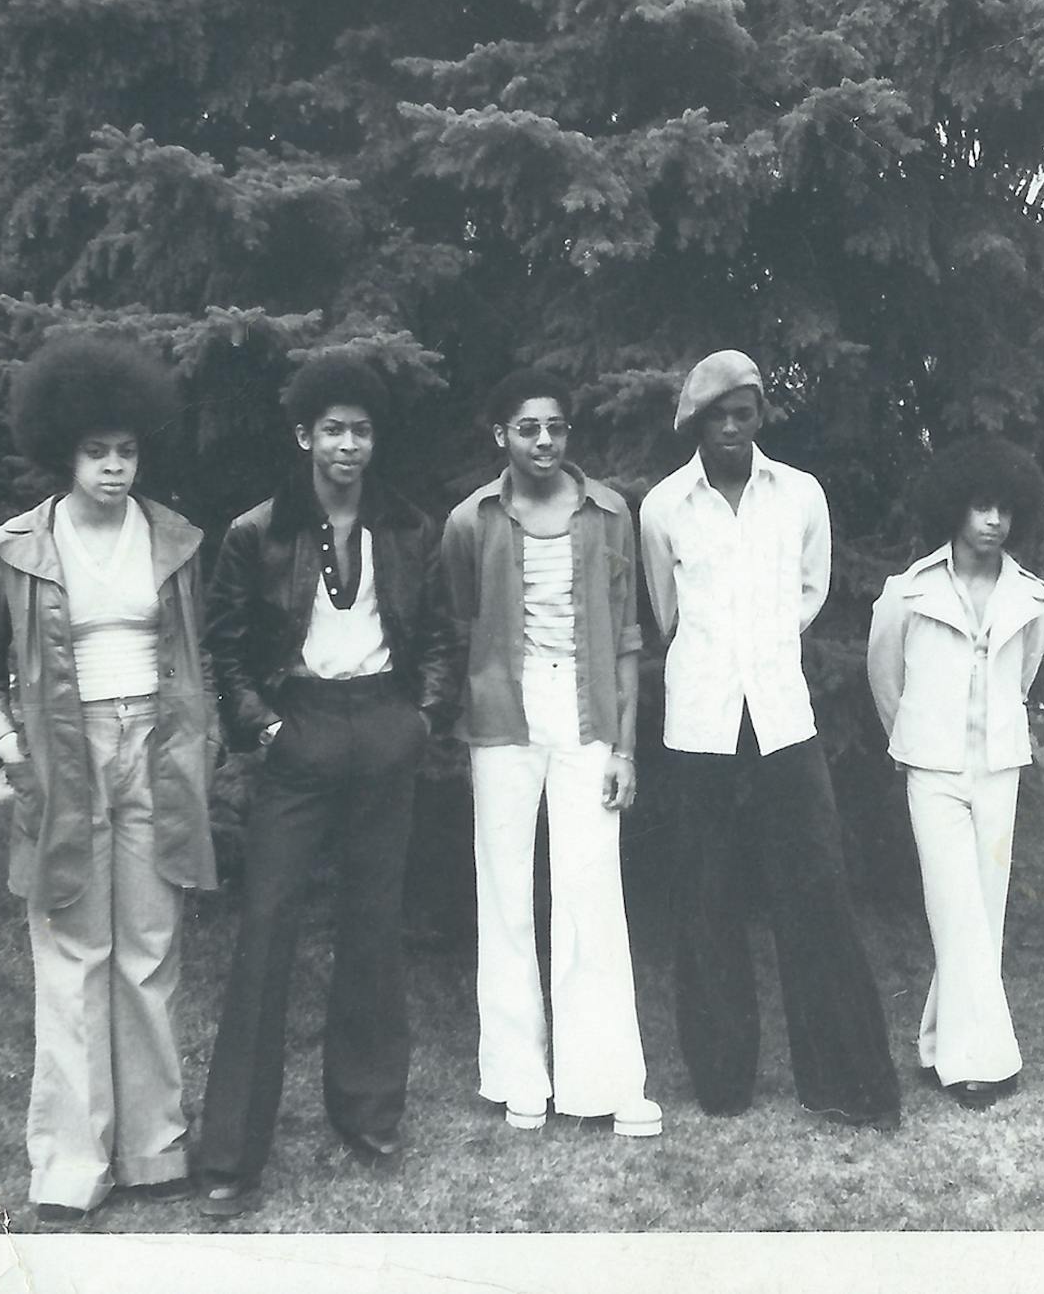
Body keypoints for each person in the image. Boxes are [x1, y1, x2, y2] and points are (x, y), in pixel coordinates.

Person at [193, 349, 460, 1218]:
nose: (349, 446)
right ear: (305, 435)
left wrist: (420, 719)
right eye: (335, 430)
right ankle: (232, 1153)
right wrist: (265, 728)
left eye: (363, 431)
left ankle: (368, 1114)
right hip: (298, 731)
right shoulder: (257, 531)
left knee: (373, 924)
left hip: (383, 724)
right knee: (267, 926)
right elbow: (225, 649)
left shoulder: (409, 528)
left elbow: (441, 637)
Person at [0, 332, 217, 1228]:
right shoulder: (18, 547)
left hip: (156, 751)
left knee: (148, 949)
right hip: (62, 759)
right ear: (63, 453)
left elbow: (195, 659)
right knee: (73, 957)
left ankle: (154, 1149)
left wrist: (199, 746)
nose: (114, 466)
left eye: (127, 450)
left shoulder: (174, 540)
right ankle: (71, 1164)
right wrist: (12, 750)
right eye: (96, 451)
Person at [640, 349, 902, 1130]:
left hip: (783, 718)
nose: (730, 428)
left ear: (760, 415)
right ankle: (723, 1077)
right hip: (700, 721)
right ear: (695, 423)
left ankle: (842, 1077)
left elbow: (810, 590)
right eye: (715, 416)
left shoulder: (800, 496)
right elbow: (665, 611)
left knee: (815, 889)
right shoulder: (664, 507)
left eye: (743, 413)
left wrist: (766, 649)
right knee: (705, 893)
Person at [438, 368, 660, 1139]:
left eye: (556, 427)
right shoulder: (471, 520)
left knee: (591, 889)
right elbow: (459, 624)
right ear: (501, 434)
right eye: (527, 428)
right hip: (502, 714)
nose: (543, 441)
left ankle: (604, 1080)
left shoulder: (608, 512)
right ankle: (518, 1076)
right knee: (504, 894)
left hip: (586, 711)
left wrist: (625, 747)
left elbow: (626, 635)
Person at [865, 438, 1044, 1111]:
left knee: (984, 909)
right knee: (955, 907)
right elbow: (886, 677)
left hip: (998, 767)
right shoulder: (908, 592)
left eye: (1005, 508)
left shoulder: (1030, 598)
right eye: (980, 506)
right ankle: (978, 1065)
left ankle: (936, 1043)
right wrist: (913, 741)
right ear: (954, 508)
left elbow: (1021, 677)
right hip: (933, 769)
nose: (993, 520)